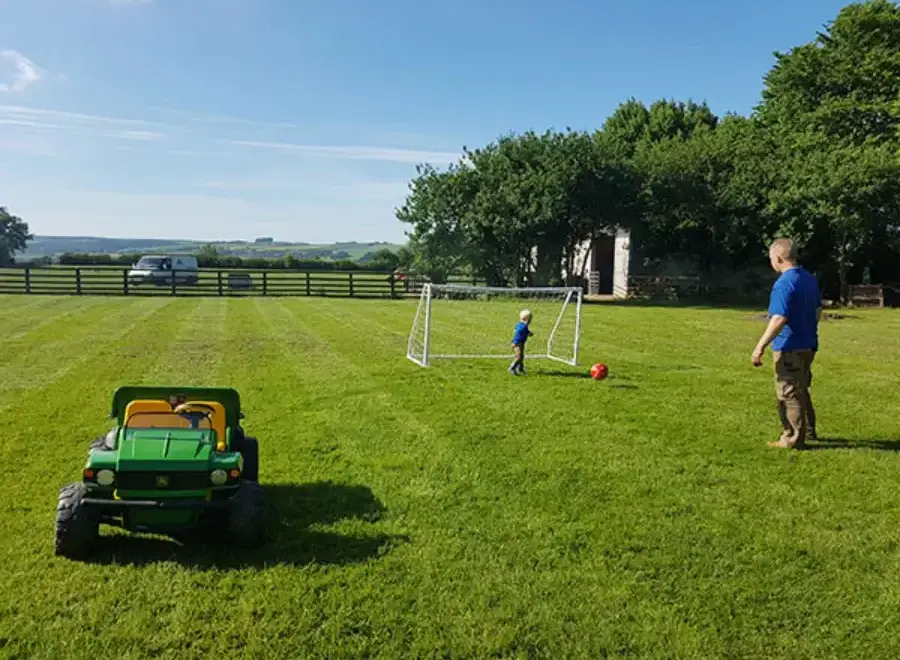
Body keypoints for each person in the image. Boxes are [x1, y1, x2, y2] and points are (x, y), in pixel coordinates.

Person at [751, 238, 822, 449]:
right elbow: (817, 312)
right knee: (801, 387)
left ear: (779, 258)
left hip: (789, 346)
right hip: (809, 344)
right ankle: (808, 430)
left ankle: (793, 438)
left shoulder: (784, 283)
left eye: (771, 258)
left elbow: (778, 318)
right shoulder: (809, 279)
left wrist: (760, 345)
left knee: (789, 392)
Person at [509, 309, 533, 375]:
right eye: (530, 319)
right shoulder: (523, 327)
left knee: (521, 356)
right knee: (519, 356)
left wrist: (528, 333)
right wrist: (515, 342)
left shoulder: (520, 324)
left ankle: (521, 368)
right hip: (517, 343)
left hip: (520, 343)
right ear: (525, 318)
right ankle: (512, 368)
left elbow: (515, 330)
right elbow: (519, 333)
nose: (530, 321)